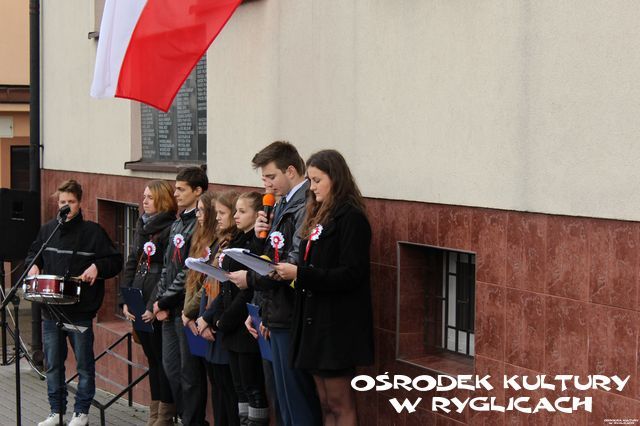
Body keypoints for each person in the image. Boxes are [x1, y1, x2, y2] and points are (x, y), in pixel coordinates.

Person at [274, 150, 374, 426]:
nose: (312, 187)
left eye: (317, 181)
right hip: (314, 323)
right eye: (310, 180)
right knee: (325, 403)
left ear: (336, 179)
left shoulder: (351, 218)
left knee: (340, 403)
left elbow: (351, 274)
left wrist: (300, 274)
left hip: (336, 326)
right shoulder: (317, 214)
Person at [232, 141, 321, 426]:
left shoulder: (305, 205)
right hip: (275, 311)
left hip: (292, 312)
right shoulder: (280, 204)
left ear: (291, 171)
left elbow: (291, 261)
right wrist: (260, 238)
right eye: (264, 178)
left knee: (297, 399)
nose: (267, 185)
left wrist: (250, 279)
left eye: (271, 177)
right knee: (282, 399)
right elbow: (269, 255)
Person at [27, 179, 123, 426]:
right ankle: (56, 411)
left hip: (79, 311)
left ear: (80, 203)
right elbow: (34, 254)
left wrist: (97, 267)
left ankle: (81, 412)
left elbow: (115, 261)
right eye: (62, 202)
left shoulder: (93, 232)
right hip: (51, 311)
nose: (66, 206)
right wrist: (34, 265)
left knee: (84, 365)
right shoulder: (48, 231)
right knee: (53, 365)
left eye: (71, 202)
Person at [203, 192, 269, 426]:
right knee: (239, 388)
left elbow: (248, 290)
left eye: (242, 211)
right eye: (236, 211)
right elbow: (226, 285)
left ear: (257, 214)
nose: (236, 215)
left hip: (243, 326)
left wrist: (225, 320)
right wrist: (217, 317)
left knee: (253, 388)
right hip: (230, 325)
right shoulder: (237, 239)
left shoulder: (255, 243)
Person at [151, 166, 208, 425]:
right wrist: (160, 300)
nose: (176, 194)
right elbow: (167, 265)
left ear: (198, 191)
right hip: (168, 309)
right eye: (176, 189)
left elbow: (189, 270)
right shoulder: (177, 222)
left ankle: (193, 420)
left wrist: (166, 300)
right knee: (171, 369)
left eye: (181, 189)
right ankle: (184, 417)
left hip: (185, 309)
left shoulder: (199, 224)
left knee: (189, 374)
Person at [120, 180, 177, 425]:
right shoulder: (142, 225)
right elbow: (132, 261)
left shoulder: (170, 228)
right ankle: (154, 414)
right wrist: (126, 299)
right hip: (138, 297)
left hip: (155, 302)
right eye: (144, 196)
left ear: (162, 200)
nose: (144, 201)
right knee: (152, 360)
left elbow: (167, 270)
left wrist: (155, 303)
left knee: (163, 361)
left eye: (150, 197)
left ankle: (165, 415)